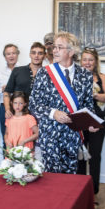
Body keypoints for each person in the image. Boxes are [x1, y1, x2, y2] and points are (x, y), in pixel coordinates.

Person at [30, 31, 95, 174]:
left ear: (71, 51)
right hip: (50, 133)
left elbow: (88, 105)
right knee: (52, 178)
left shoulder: (85, 75)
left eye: (60, 47)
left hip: (73, 135)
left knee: (70, 179)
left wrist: (91, 123)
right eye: (54, 47)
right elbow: (34, 104)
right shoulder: (44, 73)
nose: (54, 50)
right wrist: (54, 113)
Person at [77, 48, 105, 200]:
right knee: (79, 157)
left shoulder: (101, 77)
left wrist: (95, 94)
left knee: (94, 157)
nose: (87, 63)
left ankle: (93, 193)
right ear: (80, 61)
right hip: (80, 122)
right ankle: (78, 192)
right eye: (85, 59)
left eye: (91, 59)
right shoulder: (75, 77)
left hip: (98, 122)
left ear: (96, 61)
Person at [3, 42, 45, 111]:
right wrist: (7, 109)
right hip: (19, 114)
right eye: (33, 53)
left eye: (40, 53)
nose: (36, 56)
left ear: (44, 55)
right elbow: (7, 92)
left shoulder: (48, 73)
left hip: (40, 114)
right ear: (30, 55)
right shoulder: (17, 70)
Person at [0, 44, 19, 138]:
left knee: (21, 136)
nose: (11, 56)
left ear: (17, 55)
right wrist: (3, 89)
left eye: (13, 53)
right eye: (8, 54)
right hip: (4, 107)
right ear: (4, 56)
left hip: (20, 107)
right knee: (6, 137)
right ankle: (7, 153)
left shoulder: (24, 70)